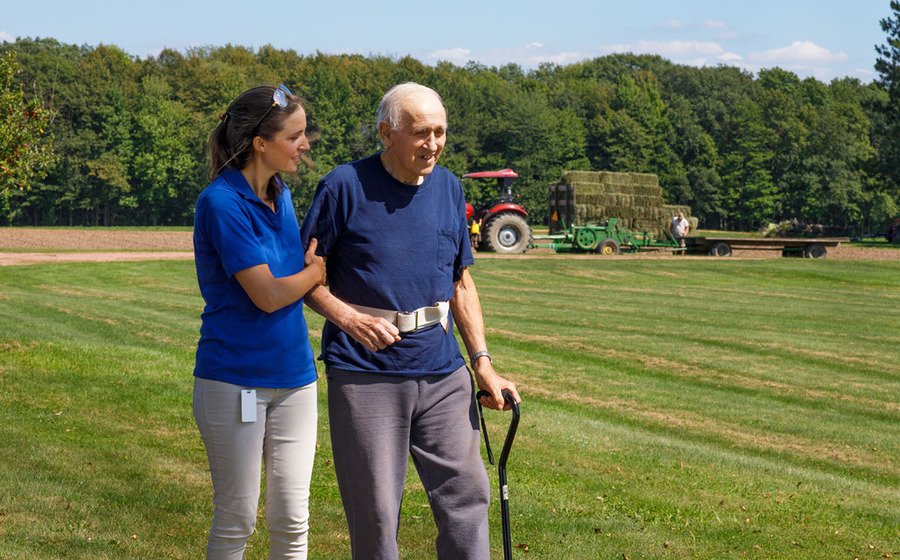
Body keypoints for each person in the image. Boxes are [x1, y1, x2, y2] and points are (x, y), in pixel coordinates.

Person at [300, 82, 521, 560]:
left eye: (441, 132)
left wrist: (482, 362)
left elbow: (461, 283)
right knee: (377, 513)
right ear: (386, 133)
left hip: (443, 372)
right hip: (367, 375)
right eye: (422, 133)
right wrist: (348, 318)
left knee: (467, 496)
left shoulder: (448, 186)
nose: (434, 144)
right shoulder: (343, 186)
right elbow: (304, 277)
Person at [192, 83, 325, 560]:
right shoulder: (221, 203)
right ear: (260, 144)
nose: (305, 144)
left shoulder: (280, 194)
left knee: (293, 518)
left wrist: (302, 272)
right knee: (238, 516)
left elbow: (284, 277)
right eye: (296, 135)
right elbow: (269, 294)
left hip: (295, 380)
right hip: (235, 383)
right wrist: (313, 272)